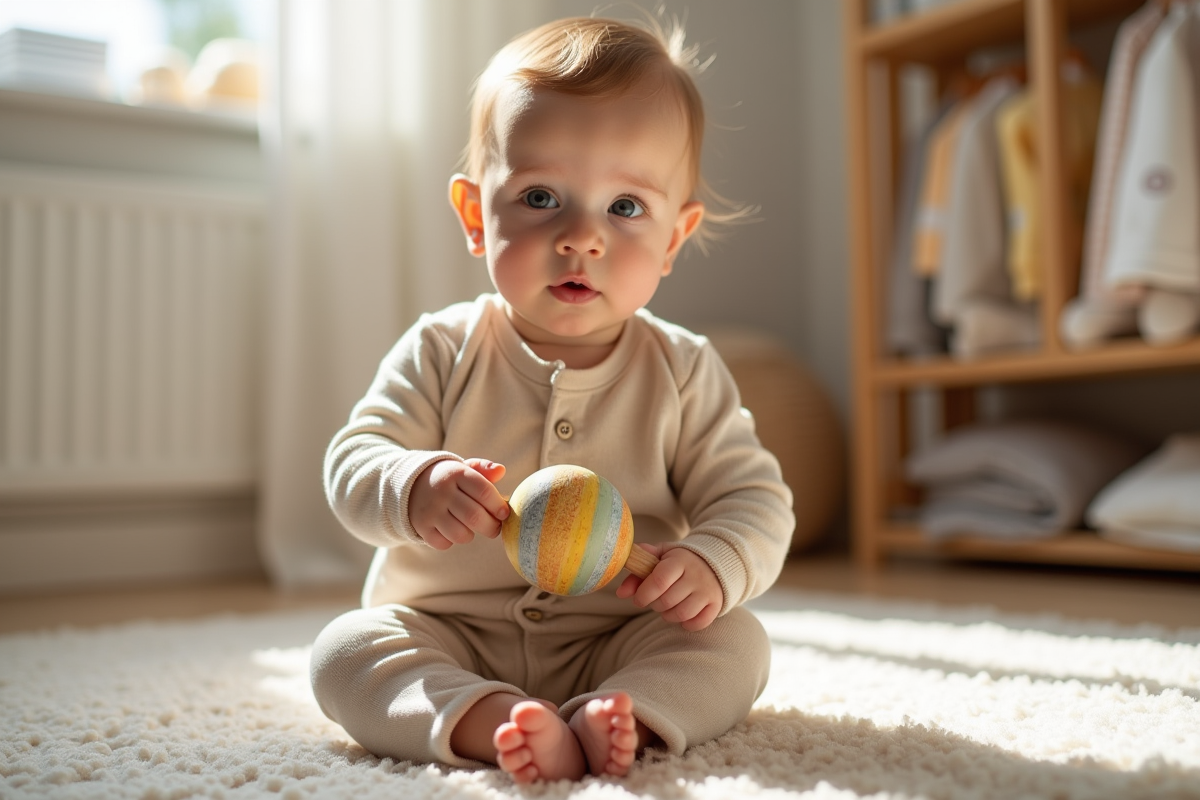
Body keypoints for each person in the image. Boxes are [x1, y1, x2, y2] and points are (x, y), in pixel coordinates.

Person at [309, 15, 795, 783]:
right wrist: (412, 486)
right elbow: (353, 461)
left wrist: (713, 561)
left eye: (626, 208)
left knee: (737, 643)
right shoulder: (442, 348)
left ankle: (624, 712)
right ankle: (493, 720)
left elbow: (755, 497)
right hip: (448, 629)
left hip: (623, 633)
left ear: (674, 237)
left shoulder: (684, 368)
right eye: (541, 196)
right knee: (343, 651)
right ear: (476, 215)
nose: (581, 237)